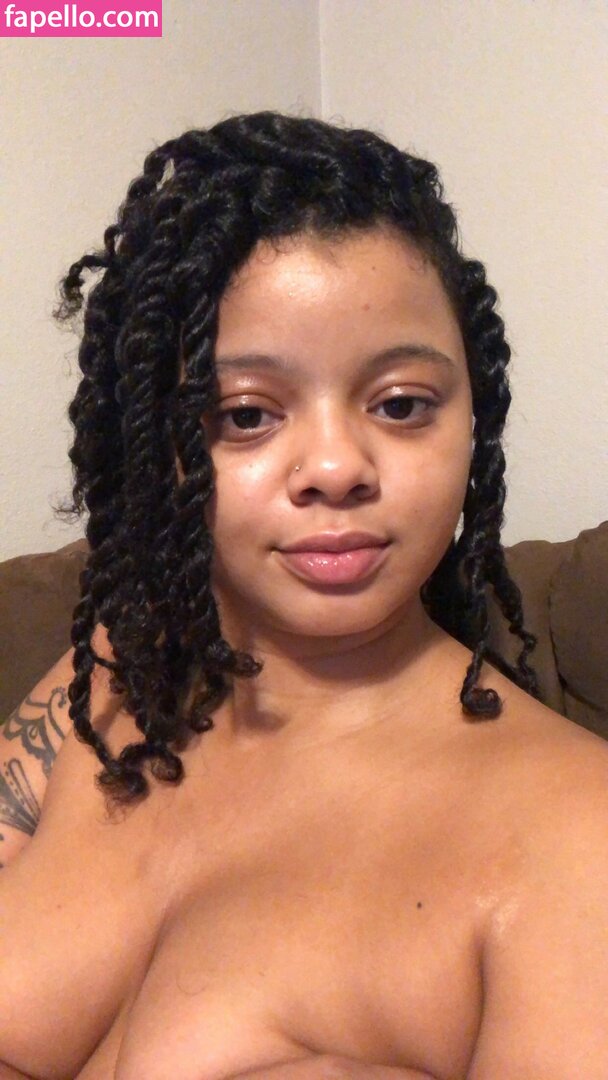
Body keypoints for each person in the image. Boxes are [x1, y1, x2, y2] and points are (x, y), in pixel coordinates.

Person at [0, 110, 606, 1080]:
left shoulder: (578, 839)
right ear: (159, 445)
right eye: (245, 415)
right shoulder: (117, 669)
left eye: (400, 404)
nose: (334, 466)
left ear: (473, 421)